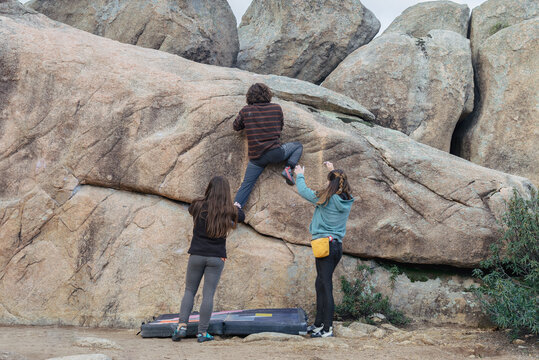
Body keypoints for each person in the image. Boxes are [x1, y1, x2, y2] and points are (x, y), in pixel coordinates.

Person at [172, 176, 245, 343]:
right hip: (216, 258)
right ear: (226, 192)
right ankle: (202, 333)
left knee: (189, 291)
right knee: (208, 294)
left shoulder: (198, 205)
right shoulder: (230, 210)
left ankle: (181, 327)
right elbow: (242, 216)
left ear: (209, 188)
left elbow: (192, 208)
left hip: (196, 255)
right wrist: (235, 206)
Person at [294, 161, 354, 338]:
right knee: (320, 283)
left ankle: (327, 329)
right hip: (336, 247)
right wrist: (332, 171)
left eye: (329, 182)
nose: (327, 184)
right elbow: (339, 182)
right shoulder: (346, 200)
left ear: (332, 184)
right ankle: (318, 324)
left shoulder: (326, 198)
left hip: (325, 246)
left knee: (325, 285)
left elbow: (305, 192)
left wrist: (300, 175)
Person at [233, 82, 303, 208]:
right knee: (298, 145)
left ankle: (236, 208)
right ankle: (288, 169)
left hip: (256, 157)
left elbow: (236, 126)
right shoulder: (276, 108)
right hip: (276, 152)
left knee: (247, 184)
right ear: (267, 94)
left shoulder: (246, 110)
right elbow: (280, 128)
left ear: (249, 96)